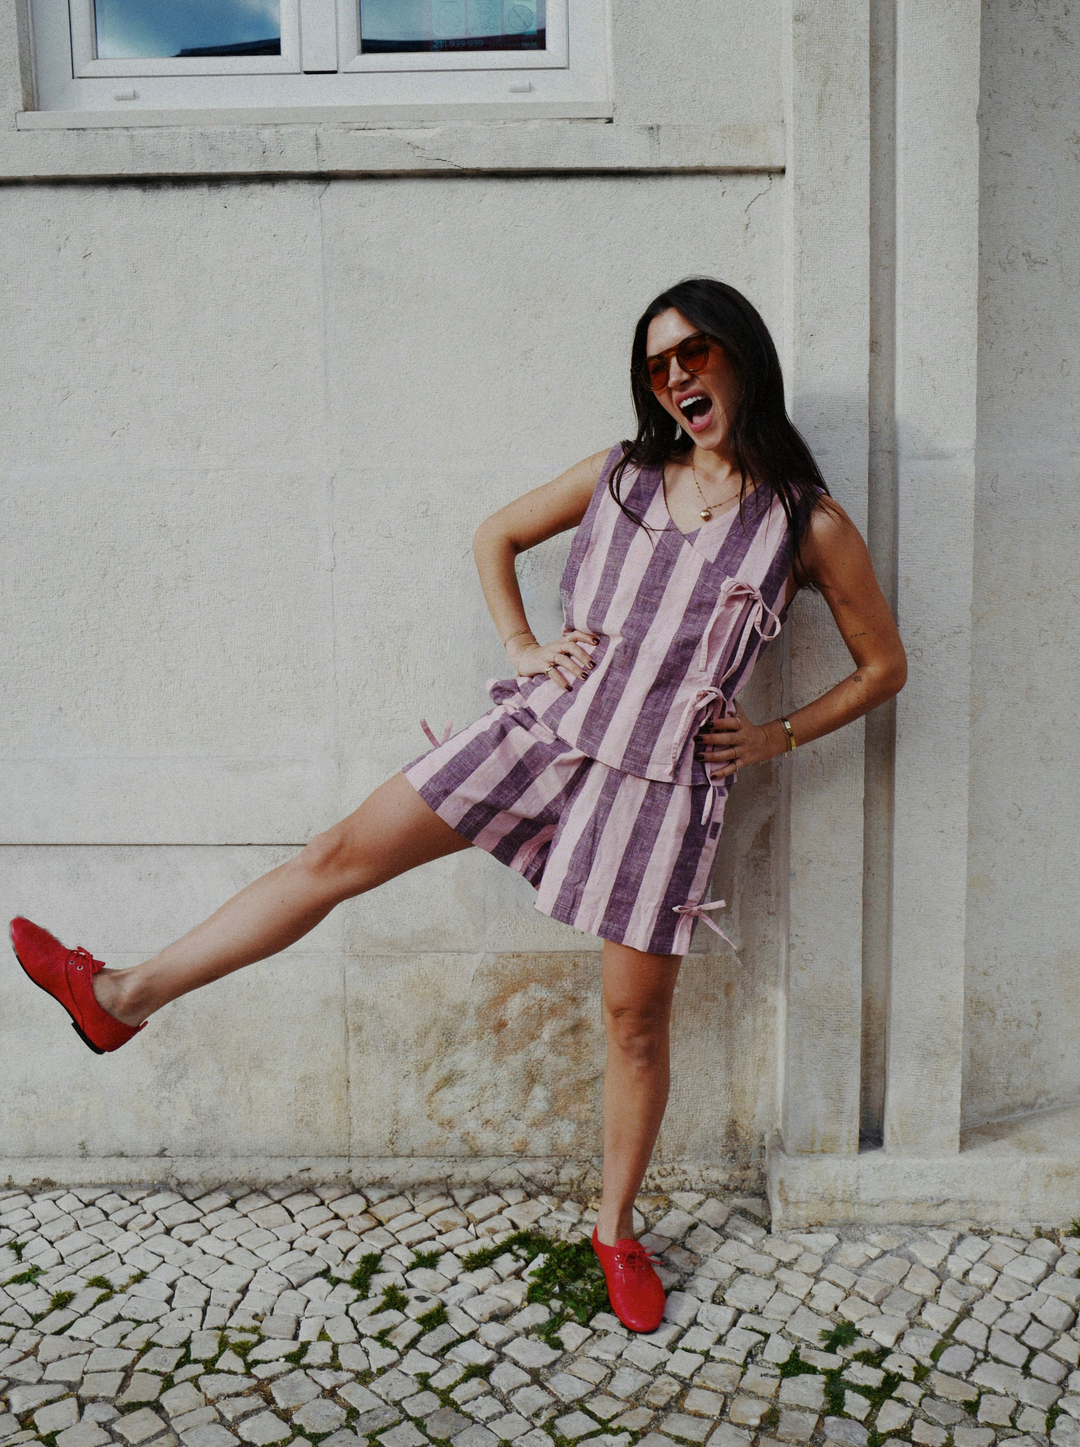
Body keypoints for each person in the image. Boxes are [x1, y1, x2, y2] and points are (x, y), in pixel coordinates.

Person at [10, 278, 906, 1334]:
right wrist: (529, 648)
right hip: (541, 736)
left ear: (741, 357)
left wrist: (772, 736)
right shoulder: (621, 474)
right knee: (339, 852)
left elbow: (884, 665)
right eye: (659, 364)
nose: (677, 377)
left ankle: (614, 1233)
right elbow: (495, 536)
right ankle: (118, 994)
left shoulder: (807, 524)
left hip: (661, 793)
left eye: (696, 354)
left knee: (635, 1022)